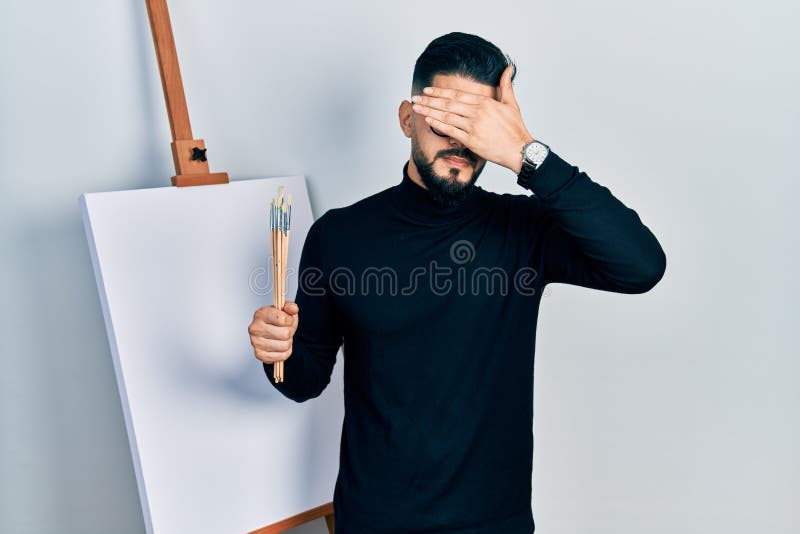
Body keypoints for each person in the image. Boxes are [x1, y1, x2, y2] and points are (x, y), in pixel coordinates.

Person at [248, 32, 666, 534]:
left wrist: (527, 154)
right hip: (373, 519)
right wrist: (279, 351)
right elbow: (304, 379)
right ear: (407, 118)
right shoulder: (339, 235)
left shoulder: (524, 230)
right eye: (444, 119)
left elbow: (641, 266)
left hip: (494, 522)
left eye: (475, 124)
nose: (459, 140)